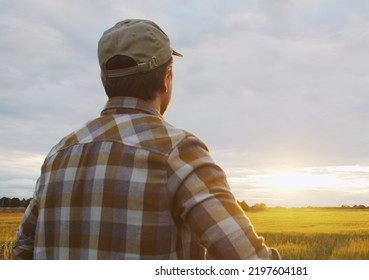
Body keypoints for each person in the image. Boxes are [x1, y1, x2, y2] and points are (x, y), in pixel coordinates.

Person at [13, 19, 280, 260]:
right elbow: (250, 263)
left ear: (104, 79)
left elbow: (23, 249)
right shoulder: (179, 152)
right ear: (166, 78)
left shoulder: (58, 154)